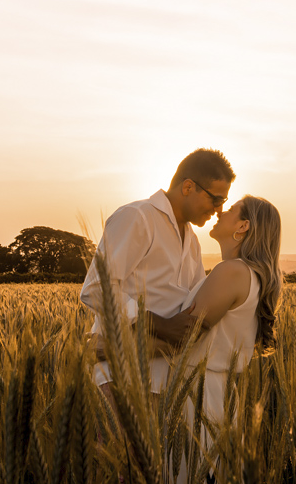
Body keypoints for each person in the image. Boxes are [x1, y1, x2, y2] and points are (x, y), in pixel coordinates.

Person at [80, 148, 236, 395]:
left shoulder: (192, 241)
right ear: (188, 187)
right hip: (120, 375)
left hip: (166, 380)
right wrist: (158, 324)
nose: (218, 209)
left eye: (223, 202)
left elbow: (192, 306)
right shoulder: (137, 217)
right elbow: (96, 289)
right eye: (215, 199)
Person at [165, 195, 283, 484]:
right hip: (213, 394)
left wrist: (110, 347)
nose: (219, 211)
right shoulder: (248, 274)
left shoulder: (232, 272)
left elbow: (185, 333)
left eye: (229, 210)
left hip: (196, 395)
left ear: (243, 226)